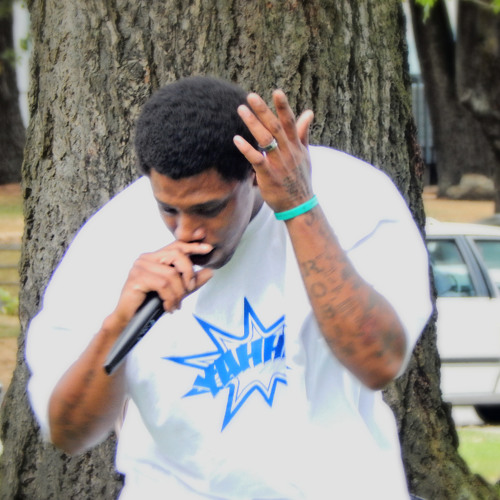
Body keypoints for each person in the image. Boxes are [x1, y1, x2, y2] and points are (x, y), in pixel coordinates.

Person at [26, 76, 432, 499]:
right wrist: (119, 324)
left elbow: (378, 362)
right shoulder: (110, 240)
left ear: (255, 174)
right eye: (168, 209)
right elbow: (69, 432)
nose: (186, 231)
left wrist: (298, 207)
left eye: (209, 208)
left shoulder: (354, 197)